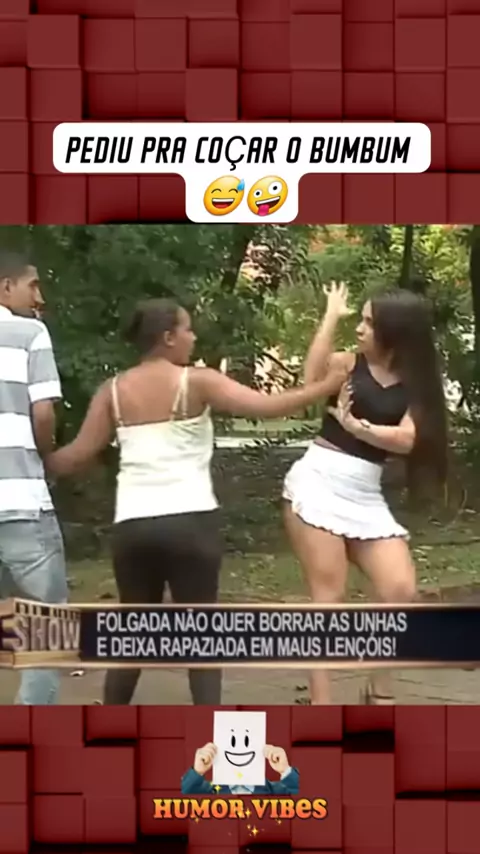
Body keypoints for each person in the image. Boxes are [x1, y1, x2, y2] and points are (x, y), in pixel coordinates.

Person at [46, 298, 347, 706]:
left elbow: (75, 455)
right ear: (168, 337)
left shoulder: (112, 390)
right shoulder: (197, 382)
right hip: (190, 525)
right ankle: (213, 733)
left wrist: (29, 459)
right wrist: (327, 387)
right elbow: (267, 406)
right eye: (187, 329)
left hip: (133, 528)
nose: (193, 336)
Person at [283, 283, 448, 705]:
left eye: (369, 322)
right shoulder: (347, 364)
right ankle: (320, 704)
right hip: (319, 480)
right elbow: (309, 380)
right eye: (360, 319)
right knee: (329, 597)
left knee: (399, 589)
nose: (359, 328)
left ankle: (378, 692)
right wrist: (330, 316)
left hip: (365, 492)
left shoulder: (416, 385)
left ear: (394, 332)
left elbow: (407, 440)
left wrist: (359, 428)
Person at [0, 251, 67, 704]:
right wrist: (46, 457)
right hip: (20, 500)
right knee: (46, 625)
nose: (39, 297)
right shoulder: (29, 333)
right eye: (32, 285)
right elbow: (43, 412)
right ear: (6, 287)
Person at [181, 742, 299, 795]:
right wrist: (197, 771)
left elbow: (305, 801)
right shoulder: (209, 792)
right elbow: (181, 800)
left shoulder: (276, 791)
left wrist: (285, 770)